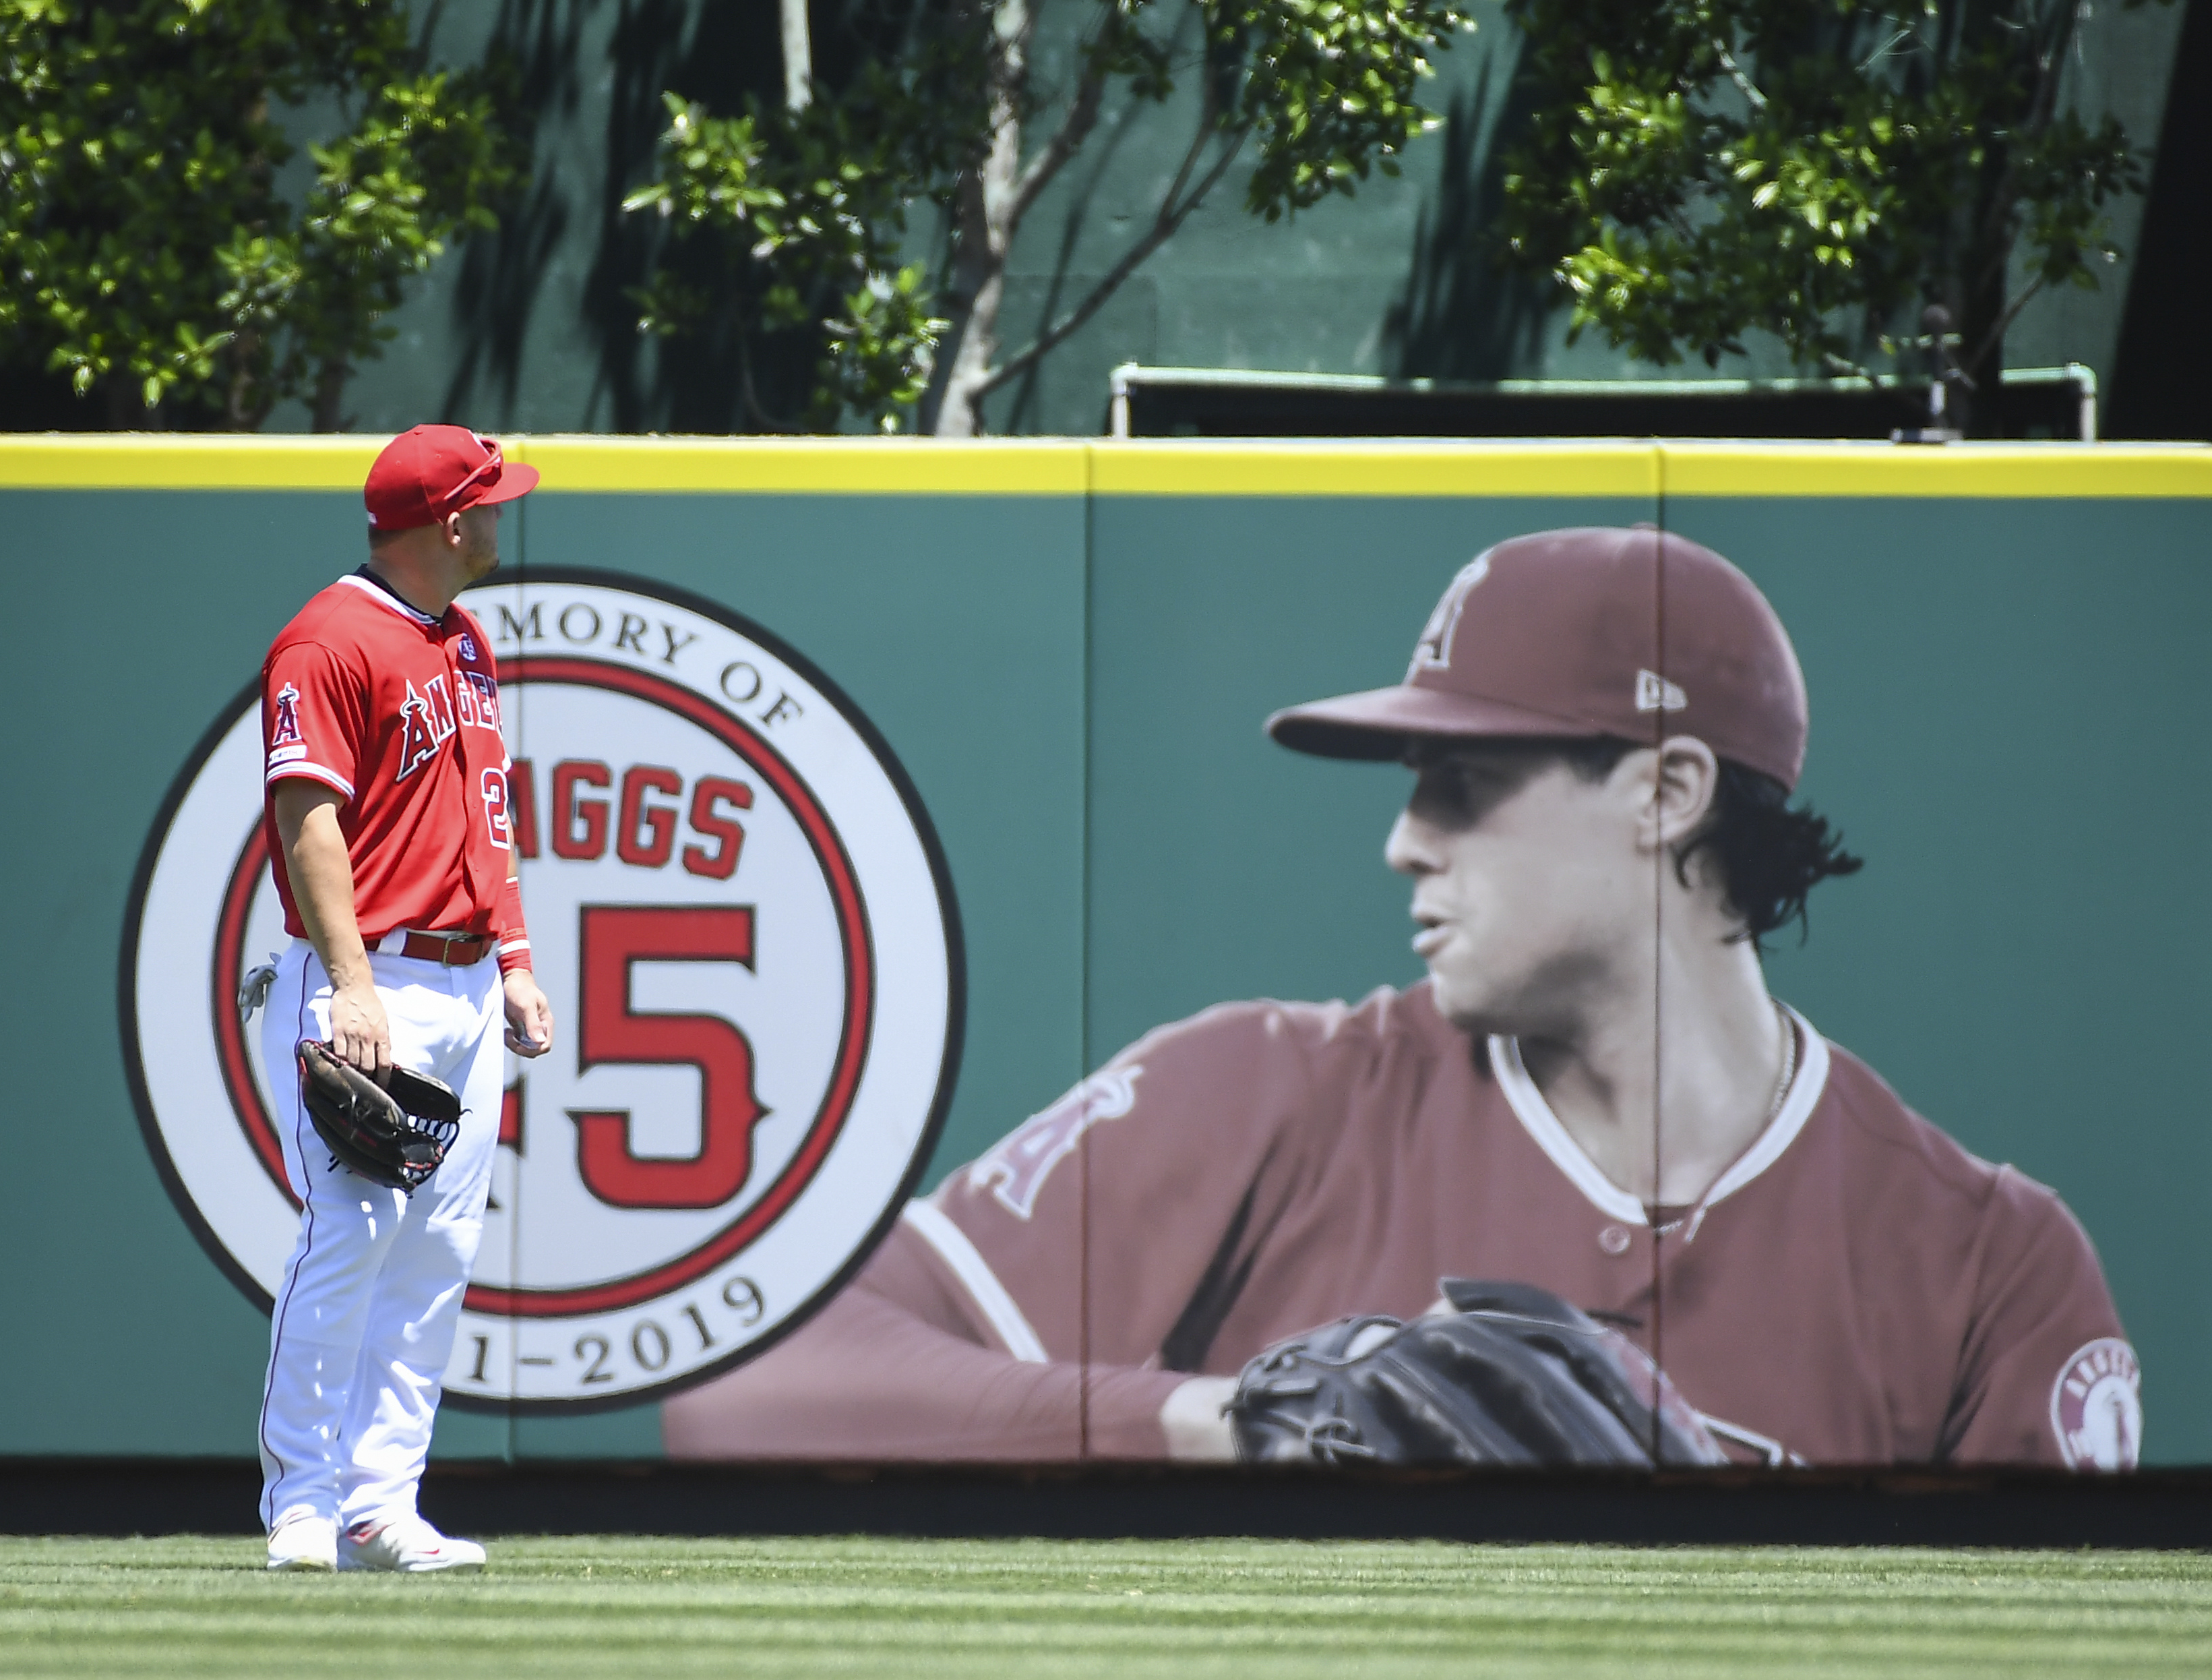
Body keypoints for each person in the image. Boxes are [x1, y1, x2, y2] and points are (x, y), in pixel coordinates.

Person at [660, 526, 2138, 1471]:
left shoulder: (1986, 1271)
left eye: (1462, 783)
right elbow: (741, 1385)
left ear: (1665, 793)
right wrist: (1223, 1423)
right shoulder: (1261, 1092)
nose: (1402, 840)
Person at [255, 426, 555, 1571]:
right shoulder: (326, 640)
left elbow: (487, 813)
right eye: (491, 502)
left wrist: (517, 958)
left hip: (468, 978)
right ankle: (304, 1501)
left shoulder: (464, 641)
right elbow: (306, 822)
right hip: (369, 975)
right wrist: (351, 984)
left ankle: (384, 1504)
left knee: (436, 1249)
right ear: (447, 522)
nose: (502, 517)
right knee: (352, 1234)